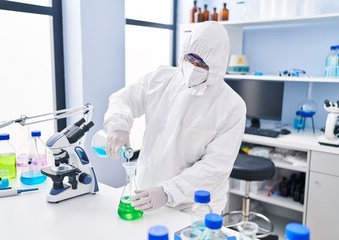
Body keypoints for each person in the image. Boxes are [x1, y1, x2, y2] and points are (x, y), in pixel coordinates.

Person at [103, 21, 246, 214]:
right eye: (189, 58)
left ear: (217, 64)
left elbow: (214, 167)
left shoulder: (231, 106)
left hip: (195, 205)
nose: (193, 66)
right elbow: (124, 99)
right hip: (147, 192)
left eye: (201, 63)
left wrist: (167, 191)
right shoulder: (161, 78)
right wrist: (119, 125)